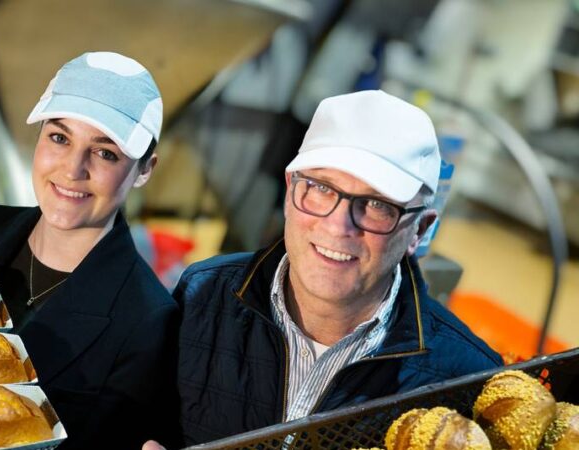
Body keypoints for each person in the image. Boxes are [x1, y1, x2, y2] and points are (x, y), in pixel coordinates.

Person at [143, 90, 503, 449]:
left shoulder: (466, 380)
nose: (337, 225)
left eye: (376, 204)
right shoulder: (204, 296)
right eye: (320, 188)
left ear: (419, 230)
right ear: (289, 192)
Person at [0, 52, 179, 450]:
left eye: (106, 153)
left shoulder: (146, 322)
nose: (73, 170)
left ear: (144, 169)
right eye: (60, 138)